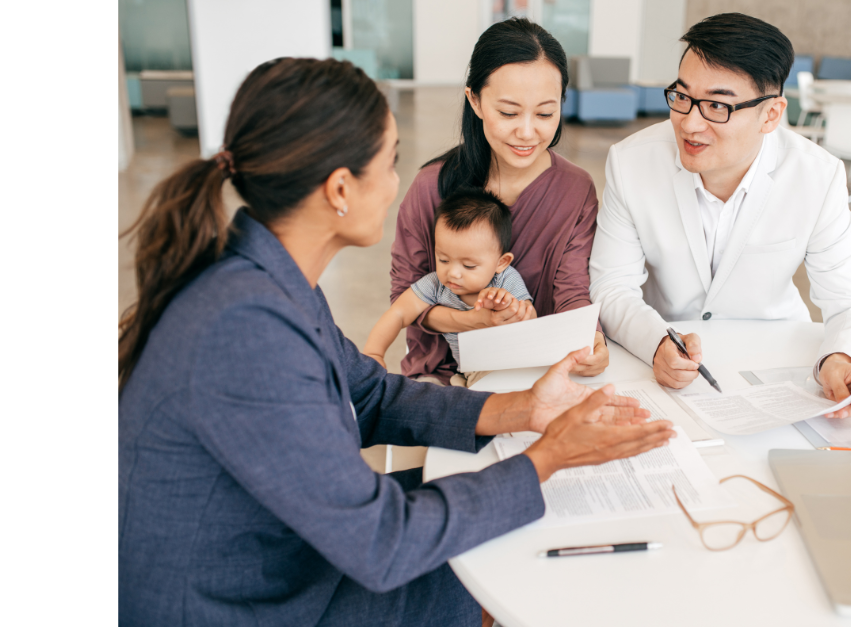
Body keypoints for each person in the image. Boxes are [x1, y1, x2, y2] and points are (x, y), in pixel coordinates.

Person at [117, 57, 675, 627]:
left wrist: (524, 409)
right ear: (339, 188)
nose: (396, 185)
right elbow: (381, 544)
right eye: (390, 163)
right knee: (499, 553)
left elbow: (373, 396)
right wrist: (548, 456)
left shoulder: (266, 281)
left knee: (494, 507)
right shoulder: (245, 334)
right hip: (251, 603)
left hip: (280, 557)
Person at [588, 13, 851, 418]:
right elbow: (611, 285)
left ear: (771, 115)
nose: (690, 123)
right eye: (682, 96)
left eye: (717, 106)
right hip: (673, 361)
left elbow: (849, 301)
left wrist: (842, 356)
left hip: (777, 359)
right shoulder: (631, 161)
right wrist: (656, 341)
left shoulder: (817, 175)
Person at [391, 18, 609, 386]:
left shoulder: (576, 189)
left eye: (545, 113)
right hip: (442, 372)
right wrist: (476, 321)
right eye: (508, 113)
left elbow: (572, 291)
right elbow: (406, 298)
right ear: (474, 100)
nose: (527, 132)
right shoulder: (431, 187)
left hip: (533, 369)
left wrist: (592, 337)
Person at [365, 188, 534, 388]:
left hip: (515, 364)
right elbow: (398, 313)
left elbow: (531, 321)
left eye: (469, 266)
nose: (453, 273)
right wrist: (373, 353)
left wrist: (506, 306)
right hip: (475, 371)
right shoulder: (435, 284)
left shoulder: (505, 280)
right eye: (443, 259)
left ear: (501, 262)